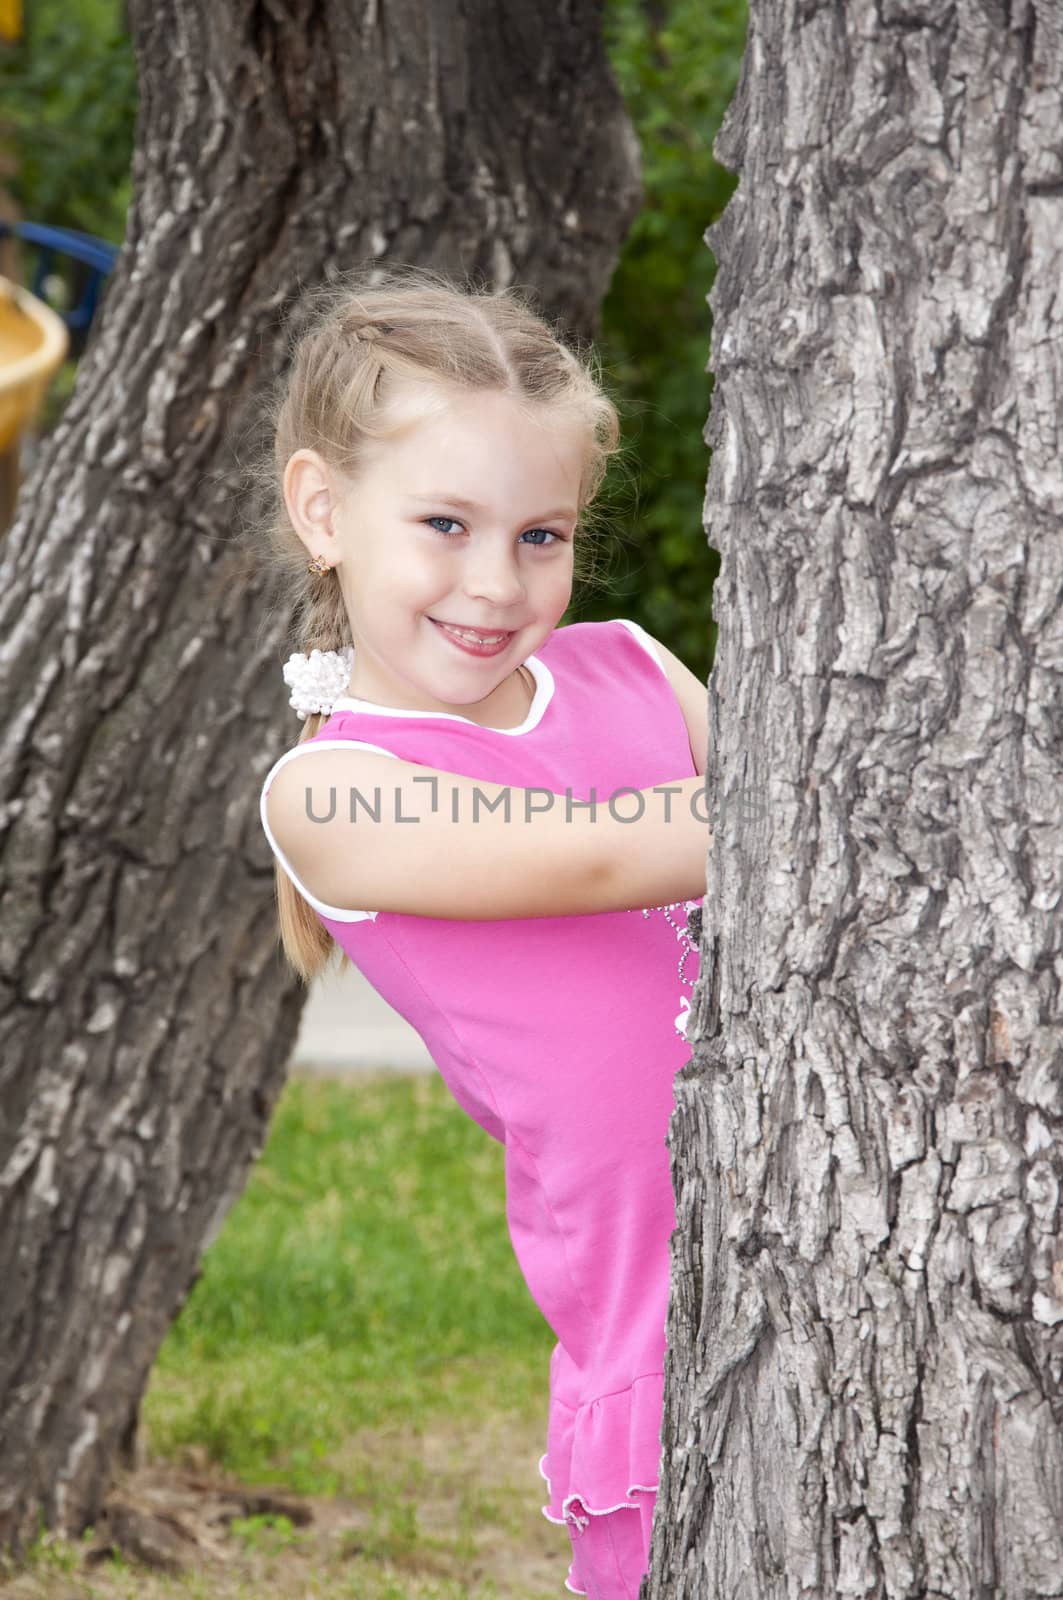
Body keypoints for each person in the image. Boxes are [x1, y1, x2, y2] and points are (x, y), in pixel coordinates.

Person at [254, 263, 713, 1599]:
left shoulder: (630, 666)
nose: (495, 582)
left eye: (540, 536)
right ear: (324, 509)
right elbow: (603, 852)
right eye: (445, 524)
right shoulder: (333, 789)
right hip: (659, 1303)